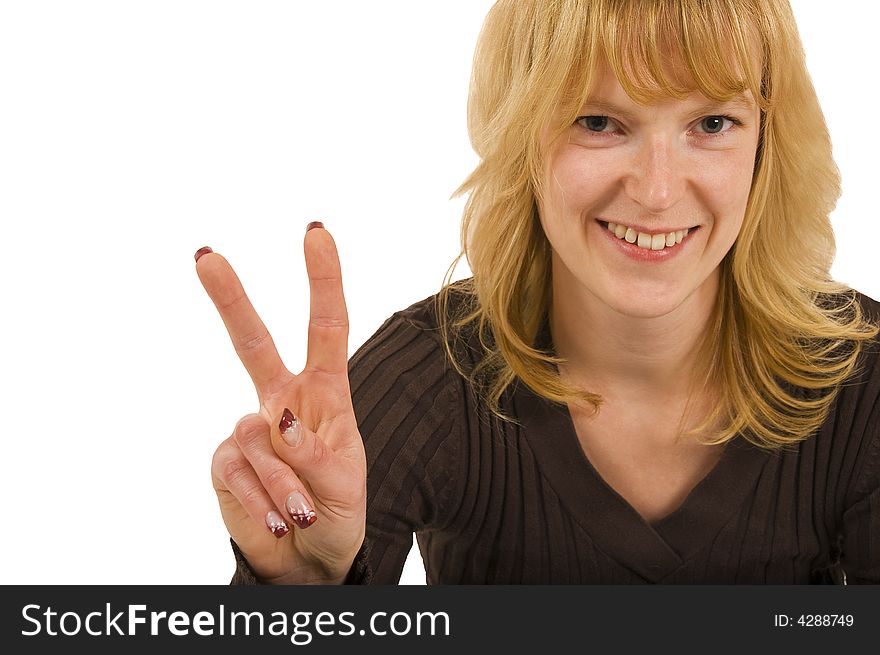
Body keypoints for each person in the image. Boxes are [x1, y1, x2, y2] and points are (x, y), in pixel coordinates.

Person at [195, 0, 880, 584]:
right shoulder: (428, 374)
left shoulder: (865, 381)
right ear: (521, 134)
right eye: (598, 122)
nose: (658, 189)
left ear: (767, 141)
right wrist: (306, 591)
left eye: (712, 124)